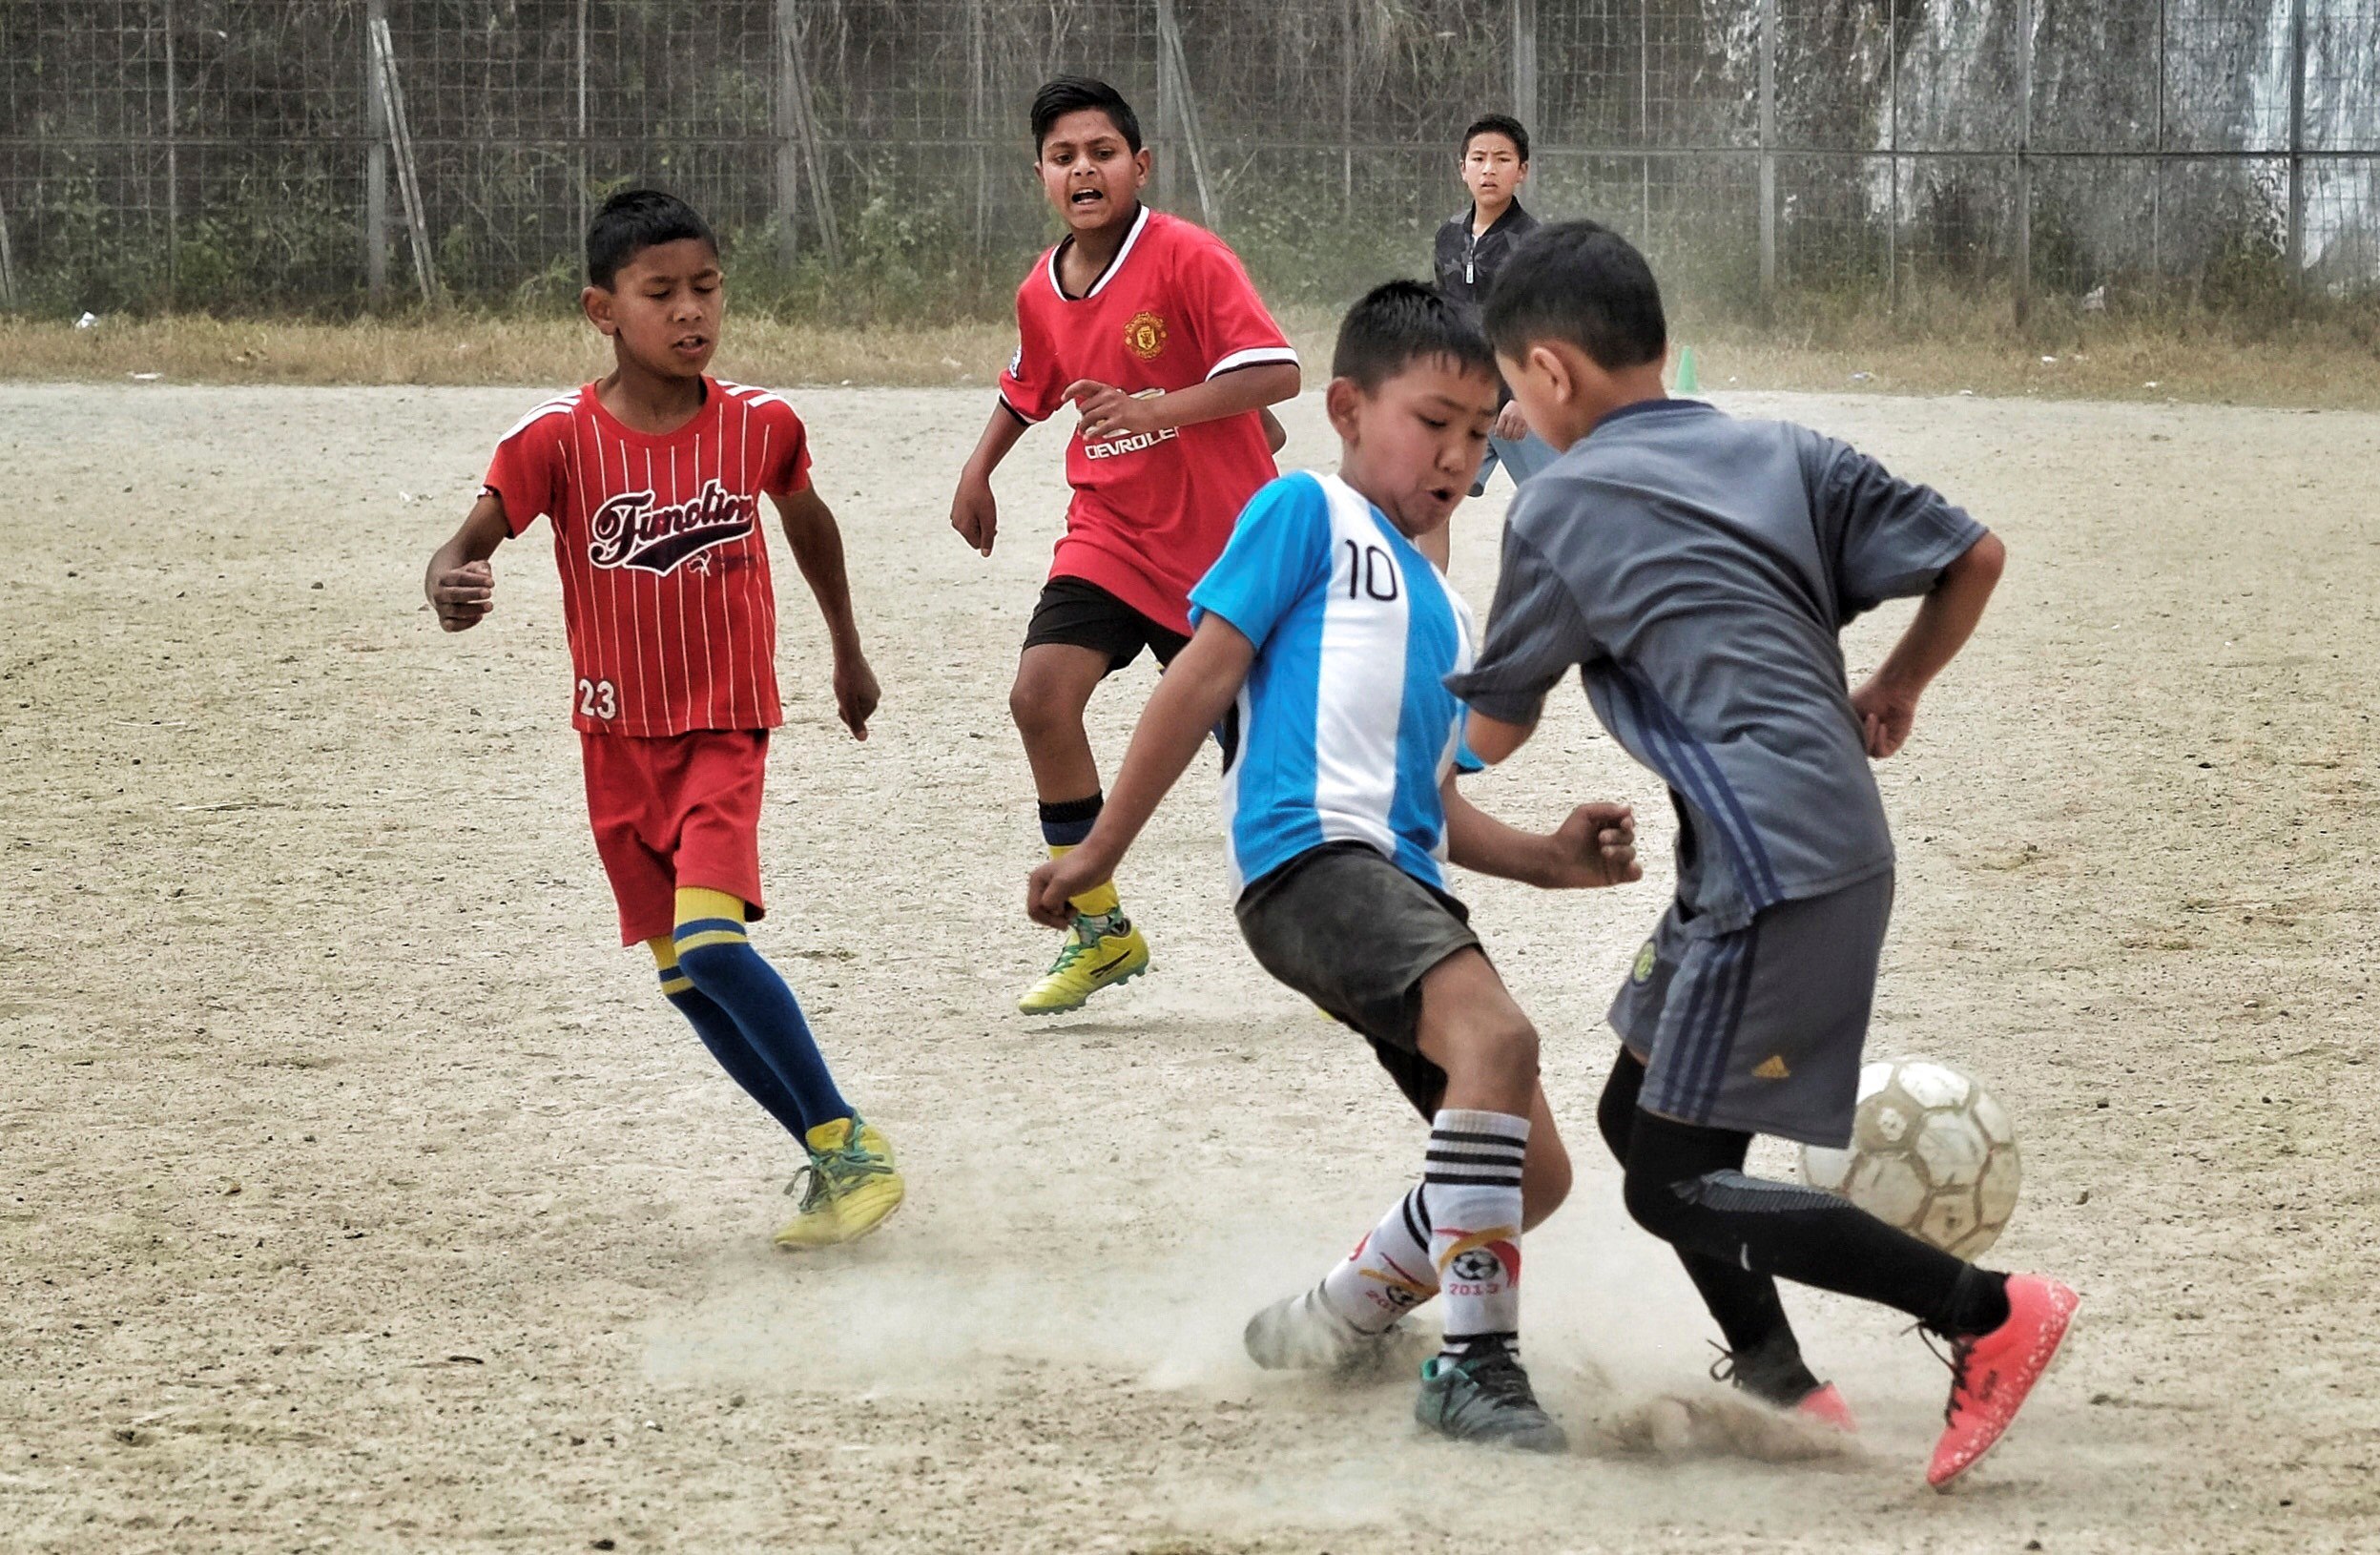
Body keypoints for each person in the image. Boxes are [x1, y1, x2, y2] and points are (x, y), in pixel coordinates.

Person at [1452, 220, 2080, 1490]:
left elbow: (1491, 731)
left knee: (1670, 1186)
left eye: (1508, 392)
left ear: (1552, 374)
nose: (1507, 421)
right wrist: (1894, 684)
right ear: (1665, 350)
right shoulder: (1785, 451)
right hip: (1785, 847)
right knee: (1641, 1115)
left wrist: (1372, 740)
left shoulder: (1561, 504)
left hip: (1771, 863)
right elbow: (1975, 554)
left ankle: (1990, 1310)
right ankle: (1787, 1378)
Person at [1026, 280, 1642, 1451]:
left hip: (1394, 878)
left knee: (1535, 1176)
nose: (1458, 453)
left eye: (1480, 429)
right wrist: (1097, 850)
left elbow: (1432, 804)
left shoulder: (1446, 616)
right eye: (1434, 420)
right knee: (1499, 1041)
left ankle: (1336, 1314)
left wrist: (1552, 862)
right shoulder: (1302, 511)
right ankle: (1474, 1366)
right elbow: (1198, 678)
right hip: (1306, 864)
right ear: (1348, 409)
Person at [421, 189, 903, 1251]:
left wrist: (847, 649)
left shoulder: (759, 424)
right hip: (613, 740)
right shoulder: (553, 441)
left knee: (714, 946)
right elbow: (462, 549)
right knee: (686, 981)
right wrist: (450, 582)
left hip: (724, 726)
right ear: (603, 309)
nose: (692, 312)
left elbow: (809, 521)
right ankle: (834, 1155)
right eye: (661, 293)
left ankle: (845, 1136)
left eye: (707, 288)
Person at [948, 75, 1302, 1016]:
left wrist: (1158, 407)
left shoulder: (1189, 258)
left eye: (1101, 152)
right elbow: (1029, 384)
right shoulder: (1041, 285)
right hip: (1107, 533)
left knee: (1262, 766)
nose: (1083, 170)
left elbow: (1278, 370)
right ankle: (1101, 934)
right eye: (1063, 157)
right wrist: (977, 469)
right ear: (1042, 176)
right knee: (1039, 696)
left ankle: (1334, 933)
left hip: (1223, 550)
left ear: (1138, 166)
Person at [1425, 113, 1555, 567]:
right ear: (1461, 167)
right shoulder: (1447, 237)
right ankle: (1433, 613)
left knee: (1558, 515)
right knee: (1430, 500)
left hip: (1523, 406)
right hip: (1465, 400)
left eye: (1502, 159)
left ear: (1522, 170)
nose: (1489, 169)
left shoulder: (1535, 242)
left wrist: (1524, 395)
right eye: (1478, 158)